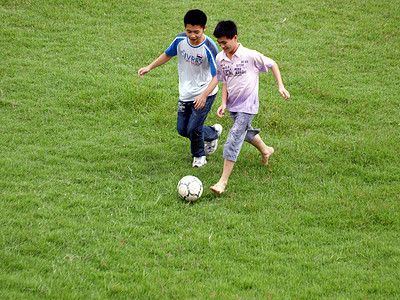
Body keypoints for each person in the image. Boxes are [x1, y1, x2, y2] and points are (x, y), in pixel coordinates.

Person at [210, 20, 290, 194]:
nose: (222, 46)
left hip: (249, 105)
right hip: (233, 105)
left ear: (235, 37)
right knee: (245, 133)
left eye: (225, 42)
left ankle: (222, 182)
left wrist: (280, 86)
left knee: (234, 137)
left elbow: (272, 64)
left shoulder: (250, 55)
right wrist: (223, 103)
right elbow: (224, 82)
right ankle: (266, 150)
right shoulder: (220, 58)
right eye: (220, 43)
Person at [138, 9, 222, 168]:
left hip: (205, 92)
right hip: (185, 93)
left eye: (196, 32)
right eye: (189, 31)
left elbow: (216, 76)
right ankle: (212, 133)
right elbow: (168, 54)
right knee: (183, 130)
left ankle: (199, 156)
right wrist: (150, 67)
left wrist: (204, 95)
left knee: (194, 128)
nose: (192, 35)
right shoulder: (180, 40)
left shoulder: (209, 48)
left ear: (204, 28)